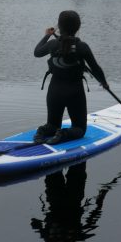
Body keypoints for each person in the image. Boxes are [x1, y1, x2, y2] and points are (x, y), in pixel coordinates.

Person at [33, 10, 108, 144]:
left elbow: (37, 52)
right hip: (75, 92)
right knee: (79, 129)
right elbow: (95, 68)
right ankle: (63, 133)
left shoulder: (52, 44)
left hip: (54, 91)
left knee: (52, 125)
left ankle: (42, 132)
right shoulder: (82, 47)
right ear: (78, 27)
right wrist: (104, 83)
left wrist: (46, 36)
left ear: (59, 27)